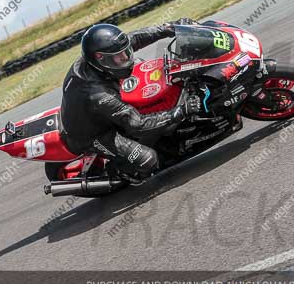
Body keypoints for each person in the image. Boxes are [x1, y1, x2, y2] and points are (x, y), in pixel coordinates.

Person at [59, 20, 199, 181]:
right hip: (94, 133)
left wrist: (169, 28)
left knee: (144, 69)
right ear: (101, 59)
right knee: (149, 159)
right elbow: (136, 124)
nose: (126, 58)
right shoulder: (98, 94)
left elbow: (135, 39)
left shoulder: (102, 57)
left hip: (95, 108)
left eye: (125, 53)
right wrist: (181, 112)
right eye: (120, 58)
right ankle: (119, 172)